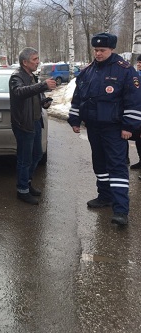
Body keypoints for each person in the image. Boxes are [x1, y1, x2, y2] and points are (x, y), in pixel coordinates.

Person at [68, 32, 141, 226]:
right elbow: (78, 98)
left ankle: (120, 210)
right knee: (99, 164)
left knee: (116, 166)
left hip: (115, 129)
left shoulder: (125, 71)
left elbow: (134, 101)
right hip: (93, 127)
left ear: (112, 49)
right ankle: (105, 197)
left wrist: (129, 126)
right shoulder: (88, 71)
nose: (98, 53)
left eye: (102, 50)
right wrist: (74, 119)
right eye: (96, 50)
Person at [9, 47, 56, 204]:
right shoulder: (16, 77)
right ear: (25, 62)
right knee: (25, 159)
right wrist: (43, 85)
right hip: (24, 124)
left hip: (35, 121)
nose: (38, 62)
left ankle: (27, 184)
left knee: (37, 154)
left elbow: (36, 94)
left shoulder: (31, 76)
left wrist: (44, 101)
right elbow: (20, 92)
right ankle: (22, 190)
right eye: (35, 59)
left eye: (37, 58)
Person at [128, 54, 141, 169]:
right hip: (137, 111)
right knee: (137, 138)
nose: (138, 64)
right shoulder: (135, 76)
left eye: (140, 63)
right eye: (138, 62)